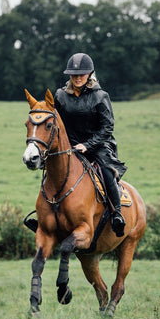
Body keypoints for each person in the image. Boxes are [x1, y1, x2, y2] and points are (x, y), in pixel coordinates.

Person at [54, 53, 127, 237]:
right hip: (69, 146)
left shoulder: (101, 96)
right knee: (53, 171)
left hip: (98, 145)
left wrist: (88, 145)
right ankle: (45, 216)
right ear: (69, 75)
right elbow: (56, 122)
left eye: (82, 74)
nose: (78, 78)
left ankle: (117, 213)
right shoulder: (60, 96)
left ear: (89, 75)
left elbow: (107, 126)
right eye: (74, 74)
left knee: (106, 171)